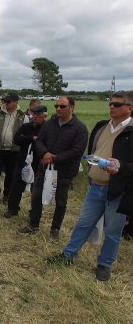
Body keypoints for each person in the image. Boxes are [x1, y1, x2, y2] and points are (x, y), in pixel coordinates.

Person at [47, 92, 133, 281]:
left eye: (117, 105)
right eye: (111, 104)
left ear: (130, 108)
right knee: (83, 224)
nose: (112, 107)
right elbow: (92, 152)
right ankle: (68, 255)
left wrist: (121, 167)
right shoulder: (101, 126)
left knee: (112, 231)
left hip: (118, 190)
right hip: (95, 186)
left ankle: (104, 264)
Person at [18, 96, 88, 241]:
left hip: (64, 171)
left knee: (60, 201)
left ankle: (55, 229)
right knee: (36, 196)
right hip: (44, 167)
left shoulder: (79, 128)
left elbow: (77, 151)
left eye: (62, 106)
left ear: (71, 108)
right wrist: (45, 153)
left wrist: (54, 158)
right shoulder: (49, 124)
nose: (58, 109)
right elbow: (40, 141)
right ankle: (33, 225)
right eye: (56, 106)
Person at [3, 105, 48, 218]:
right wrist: (32, 138)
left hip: (39, 162)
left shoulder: (47, 128)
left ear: (44, 116)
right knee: (16, 186)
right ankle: (13, 209)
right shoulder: (26, 126)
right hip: (23, 161)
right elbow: (17, 139)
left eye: (38, 115)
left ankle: (34, 212)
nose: (35, 117)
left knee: (36, 190)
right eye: (34, 114)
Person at [0, 92, 29, 204]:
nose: (5, 103)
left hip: (14, 151)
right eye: (4, 101)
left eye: (8, 101)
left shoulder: (22, 116)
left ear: (16, 102)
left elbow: (26, 133)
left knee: (10, 174)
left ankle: (6, 195)